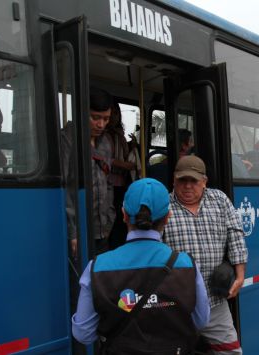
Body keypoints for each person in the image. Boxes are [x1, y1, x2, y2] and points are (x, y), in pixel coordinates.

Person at [72, 178, 210, 353]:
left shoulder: (97, 267)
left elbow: (83, 334)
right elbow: (201, 321)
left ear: (123, 214)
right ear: (168, 217)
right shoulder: (187, 265)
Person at [164, 155, 248, 354]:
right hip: (176, 305)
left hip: (214, 302)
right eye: (182, 180)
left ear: (204, 182)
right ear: (174, 180)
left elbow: (235, 234)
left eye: (193, 181)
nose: (187, 186)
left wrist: (240, 275)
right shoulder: (163, 206)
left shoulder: (219, 199)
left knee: (230, 352)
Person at [62, 87, 116, 256]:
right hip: (78, 232)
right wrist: (73, 232)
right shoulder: (67, 138)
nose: (101, 124)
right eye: (95, 118)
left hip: (102, 230)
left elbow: (108, 184)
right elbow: (64, 187)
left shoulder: (106, 142)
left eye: (106, 119)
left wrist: (109, 220)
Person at [105, 102, 136, 250]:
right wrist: (124, 165)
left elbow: (123, 154)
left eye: (117, 113)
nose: (114, 117)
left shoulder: (120, 135)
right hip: (108, 183)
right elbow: (104, 158)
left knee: (121, 218)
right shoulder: (103, 135)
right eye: (112, 114)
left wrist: (132, 146)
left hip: (122, 183)